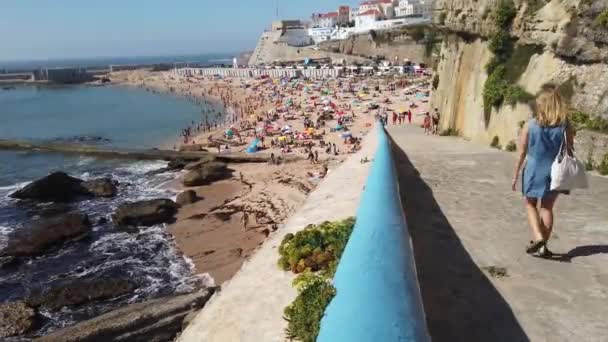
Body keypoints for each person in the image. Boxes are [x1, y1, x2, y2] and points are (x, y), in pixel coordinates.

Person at [511, 89, 575, 258]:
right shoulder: (565, 126)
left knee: (530, 204)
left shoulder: (530, 125)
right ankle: (542, 248)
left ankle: (538, 237)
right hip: (555, 171)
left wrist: (516, 174)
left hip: (534, 169)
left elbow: (522, 152)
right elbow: (569, 149)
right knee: (547, 208)